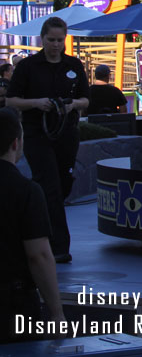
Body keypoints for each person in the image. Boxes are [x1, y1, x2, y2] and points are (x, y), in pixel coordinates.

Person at [6, 17, 89, 264]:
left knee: (62, 184)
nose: (55, 45)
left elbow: (86, 99)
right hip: (36, 132)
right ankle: (58, 247)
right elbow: (11, 100)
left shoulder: (74, 65)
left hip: (66, 131)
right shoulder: (28, 66)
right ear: (42, 39)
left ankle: (43, 233)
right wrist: (36, 103)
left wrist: (72, 104)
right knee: (49, 185)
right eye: (51, 40)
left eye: (59, 40)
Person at [0, 107, 66, 341]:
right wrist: (57, 313)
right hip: (12, 304)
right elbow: (38, 255)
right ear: (16, 143)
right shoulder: (26, 191)